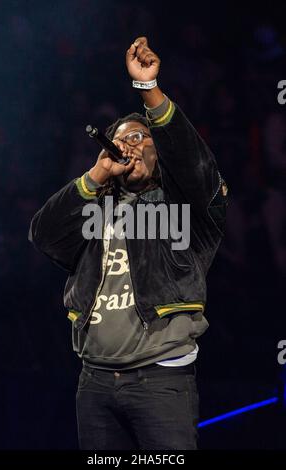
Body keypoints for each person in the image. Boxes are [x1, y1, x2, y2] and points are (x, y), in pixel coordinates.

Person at [29, 37, 228, 450]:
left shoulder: (184, 207)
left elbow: (194, 163)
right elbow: (43, 234)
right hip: (95, 383)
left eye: (139, 139)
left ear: (159, 151)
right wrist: (96, 176)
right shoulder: (96, 205)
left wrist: (148, 90)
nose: (127, 146)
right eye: (120, 140)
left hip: (161, 381)